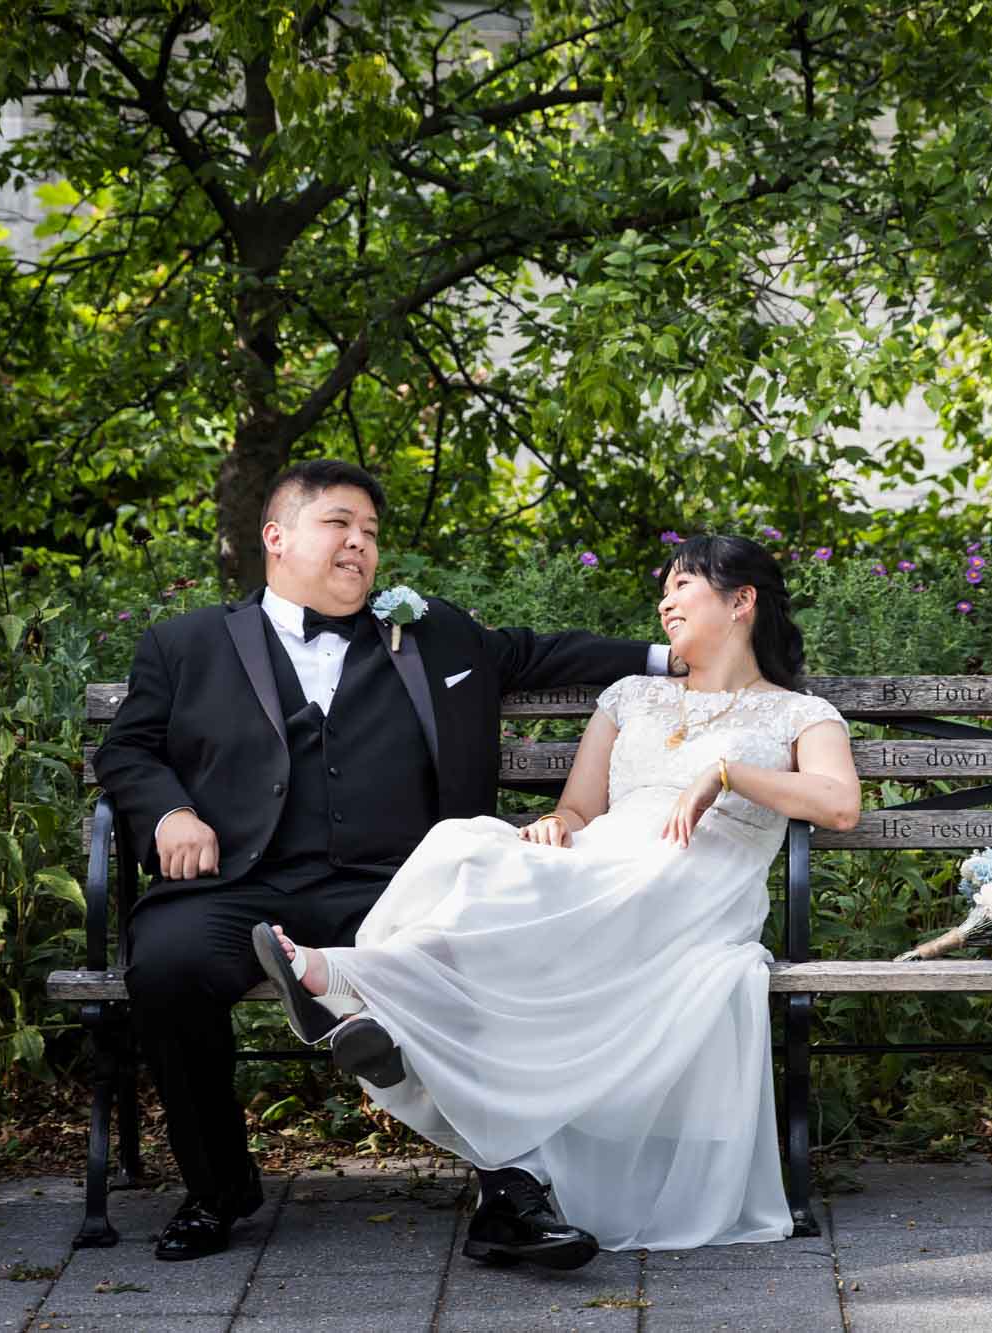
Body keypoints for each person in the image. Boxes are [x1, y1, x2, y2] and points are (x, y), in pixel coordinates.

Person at [94, 458, 677, 1262]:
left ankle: (509, 1192)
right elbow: (128, 748)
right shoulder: (186, 642)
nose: (359, 545)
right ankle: (217, 1187)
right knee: (165, 964)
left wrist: (672, 656)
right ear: (277, 536)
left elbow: (541, 653)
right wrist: (171, 810)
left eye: (370, 532)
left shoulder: (430, 632)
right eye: (339, 524)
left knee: (476, 947)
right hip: (243, 883)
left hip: (397, 883)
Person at [253, 535, 859, 1265]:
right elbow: (578, 811)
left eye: (683, 584)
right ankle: (373, 1006)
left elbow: (838, 804)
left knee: (505, 896)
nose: (664, 600)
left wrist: (728, 773)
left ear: (741, 601)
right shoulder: (631, 697)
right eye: (662, 587)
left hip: (695, 885)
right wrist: (553, 825)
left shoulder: (799, 713)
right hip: (605, 864)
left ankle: (357, 992)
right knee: (465, 845)